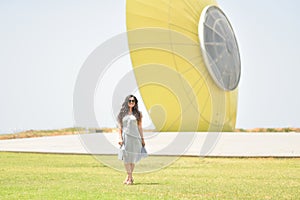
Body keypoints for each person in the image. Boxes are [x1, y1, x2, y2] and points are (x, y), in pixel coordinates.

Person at [117, 94, 147, 185]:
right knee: (126, 158)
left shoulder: (138, 114)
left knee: (132, 158)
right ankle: (130, 177)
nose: (131, 102)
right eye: (129, 101)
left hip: (135, 138)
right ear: (127, 102)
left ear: (135, 103)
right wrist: (120, 138)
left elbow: (140, 127)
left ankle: (129, 178)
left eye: (133, 101)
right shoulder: (122, 114)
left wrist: (142, 139)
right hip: (126, 138)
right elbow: (120, 128)